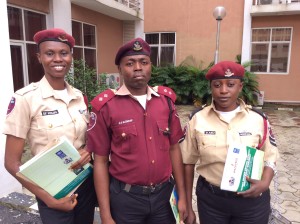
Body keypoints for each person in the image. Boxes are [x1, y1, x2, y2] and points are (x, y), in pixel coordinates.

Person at [87, 37, 187, 224]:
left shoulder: (165, 101)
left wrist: (182, 196)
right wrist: (106, 215)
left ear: (151, 66)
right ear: (120, 69)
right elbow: (100, 161)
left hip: (163, 198)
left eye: (144, 62)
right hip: (126, 199)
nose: (138, 68)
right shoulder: (106, 107)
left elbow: (174, 149)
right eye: (130, 63)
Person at [3, 28, 97, 224]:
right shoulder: (25, 99)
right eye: (49, 53)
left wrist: (88, 150)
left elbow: (88, 138)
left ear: (71, 57)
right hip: (51, 189)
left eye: (64, 53)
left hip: (84, 184)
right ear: (39, 57)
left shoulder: (79, 96)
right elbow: (11, 163)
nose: (57, 59)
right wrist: (48, 199)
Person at [180, 61, 279, 224]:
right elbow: (187, 162)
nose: (223, 90)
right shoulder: (197, 120)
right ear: (211, 88)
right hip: (212, 201)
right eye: (217, 85)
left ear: (240, 87)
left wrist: (265, 182)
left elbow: (271, 156)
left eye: (231, 84)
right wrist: (189, 206)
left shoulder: (258, 119)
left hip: (252, 201)